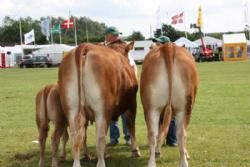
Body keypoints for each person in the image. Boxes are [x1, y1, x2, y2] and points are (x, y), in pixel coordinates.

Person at [104, 26, 137, 145]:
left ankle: (127, 136)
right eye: (116, 35)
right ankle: (115, 137)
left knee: (124, 112)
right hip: (110, 87)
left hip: (124, 86)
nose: (118, 37)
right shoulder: (104, 50)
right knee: (111, 113)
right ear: (109, 36)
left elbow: (132, 66)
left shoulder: (124, 48)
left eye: (118, 35)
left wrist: (132, 83)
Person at [152, 35, 178, 147]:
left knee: (170, 114)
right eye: (157, 43)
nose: (157, 45)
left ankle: (171, 140)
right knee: (158, 115)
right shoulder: (155, 57)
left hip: (168, 89)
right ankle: (160, 139)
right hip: (159, 89)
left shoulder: (170, 57)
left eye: (159, 44)